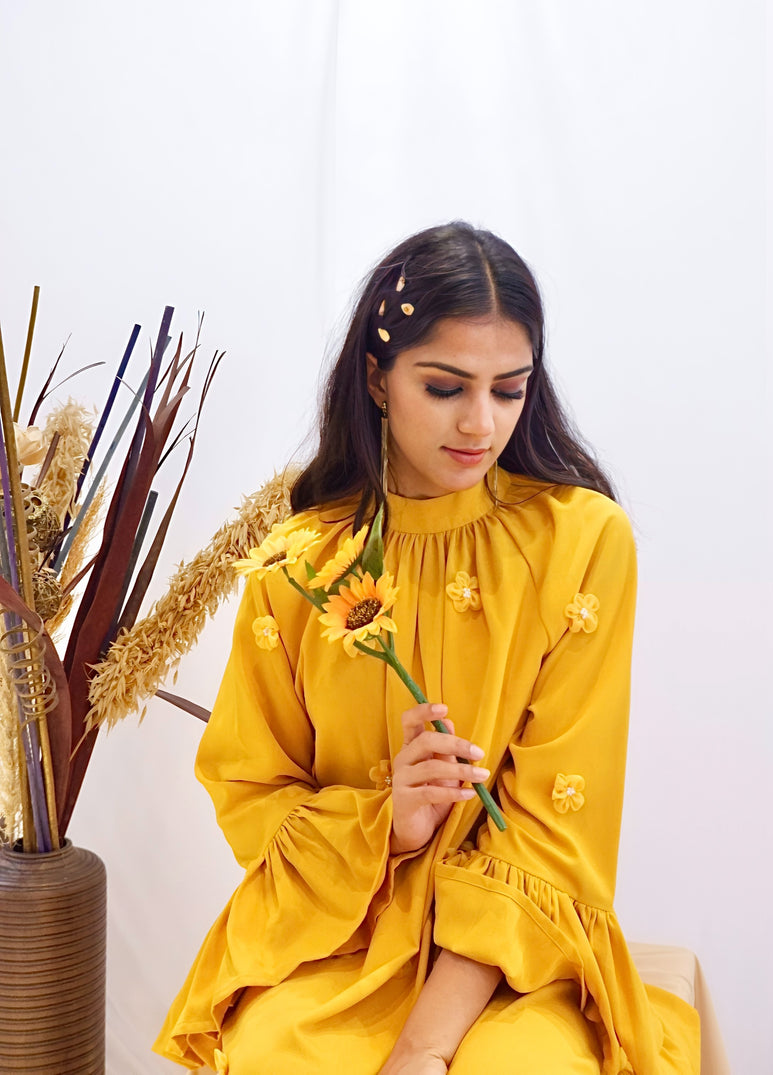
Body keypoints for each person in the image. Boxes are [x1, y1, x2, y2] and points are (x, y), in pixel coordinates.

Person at [154, 222, 700, 1073]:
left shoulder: (583, 541)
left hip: (518, 962)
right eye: (446, 386)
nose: (481, 423)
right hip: (339, 935)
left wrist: (423, 1048)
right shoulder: (299, 564)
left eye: (509, 389)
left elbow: (557, 827)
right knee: (275, 1056)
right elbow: (251, 787)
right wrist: (391, 826)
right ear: (377, 378)